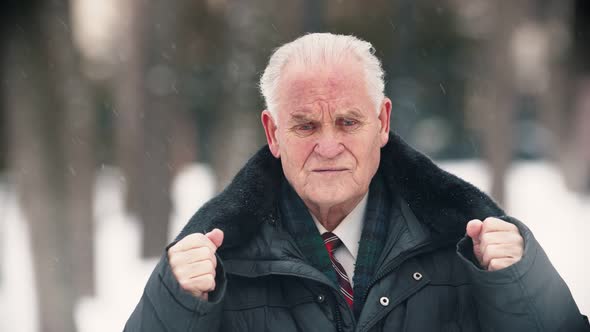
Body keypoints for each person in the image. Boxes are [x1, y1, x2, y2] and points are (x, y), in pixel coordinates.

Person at [125, 33, 589, 331]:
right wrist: (176, 304)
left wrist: (518, 282)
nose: (328, 147)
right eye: (305, 126)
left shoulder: (469, 248)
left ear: (383, 122)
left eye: (348, 122)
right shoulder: (214, 266)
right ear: (273, 133)